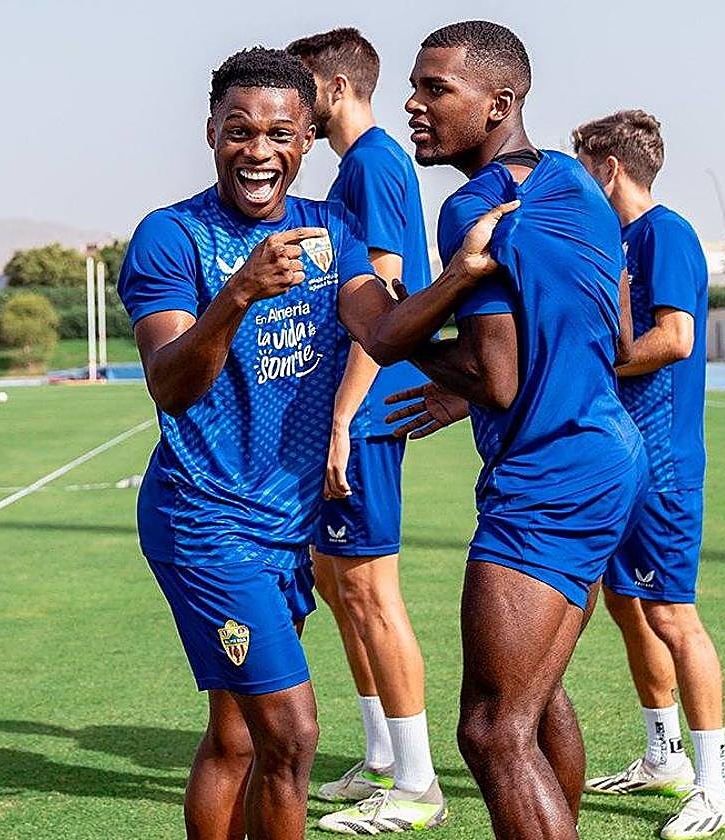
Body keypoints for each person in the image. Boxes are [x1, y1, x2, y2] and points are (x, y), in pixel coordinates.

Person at [117, 46, 511, 840]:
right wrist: (238, 293)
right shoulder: (171, 235)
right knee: (292, 733)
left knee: (238, 737)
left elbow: (382, 331)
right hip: (205, 522)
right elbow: (170, 383)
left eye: (278, 134)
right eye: (239, 131)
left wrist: (459, 276)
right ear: (211, 133)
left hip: (284, 526)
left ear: (306, 139)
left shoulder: (331, 229)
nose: (258, 151)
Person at [380, 21, 645, 840]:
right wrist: (480, 385)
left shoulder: (474, 207)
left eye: (435, 89)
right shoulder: (574, 182)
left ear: (498, 104)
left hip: (549, 473)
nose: (413, 104)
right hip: (606, 451)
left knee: (491, 731)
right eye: (414, 87)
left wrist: (395, 327)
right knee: (534, 697)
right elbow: (618, 338)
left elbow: (495, 376)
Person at [285, 28, 440, 818]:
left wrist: (344, 415)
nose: (291, 107)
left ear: (337, 88)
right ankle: (382, 758)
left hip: (368, 409)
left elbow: (384, 299)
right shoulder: (357, 167)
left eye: (300, 89)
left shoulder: (376, 163)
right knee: (338, 582)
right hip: (350, 407)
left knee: (372, 591)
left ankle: (417, 783)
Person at [573, 109, 725, 838]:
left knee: (672, 614)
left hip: (663, 462)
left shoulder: (665, 233)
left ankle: (714, 785)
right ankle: (662, 754)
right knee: (626, 603)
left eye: (585, 170)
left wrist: (599, 364)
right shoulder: (614, 239)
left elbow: (673, 339)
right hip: (622, 458)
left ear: (609, 169)